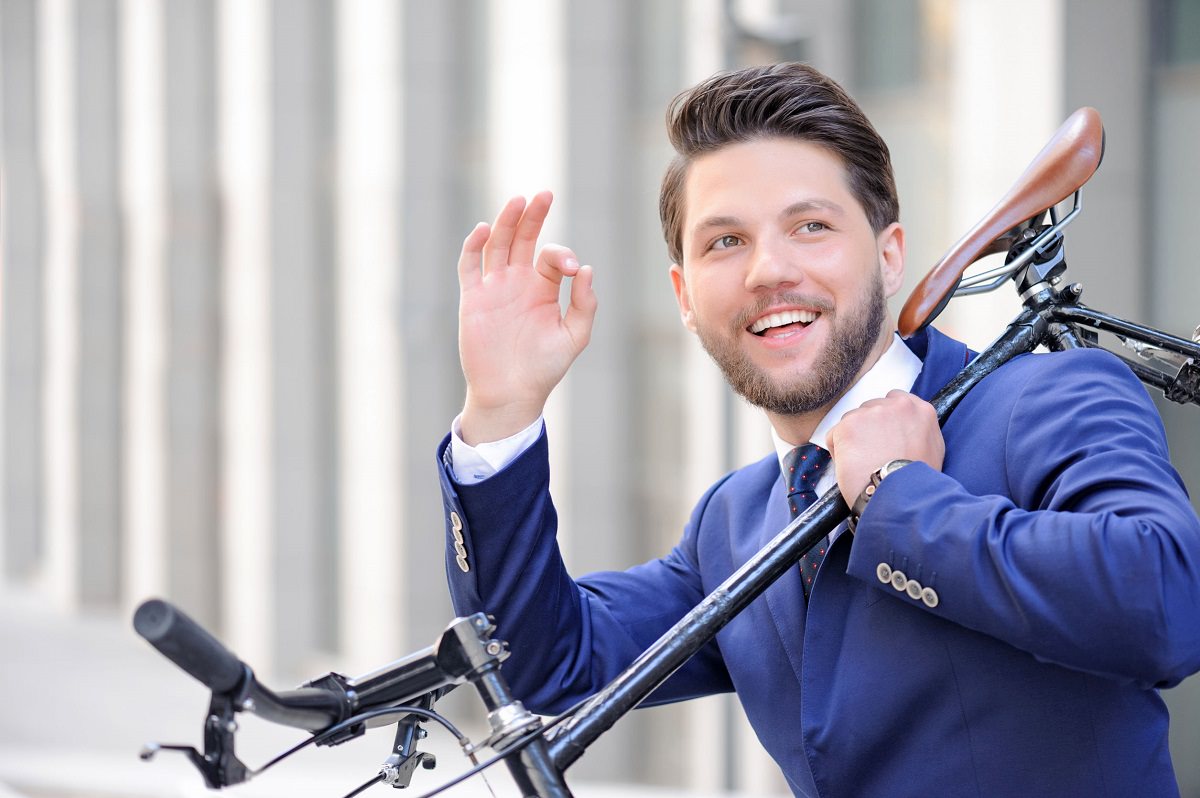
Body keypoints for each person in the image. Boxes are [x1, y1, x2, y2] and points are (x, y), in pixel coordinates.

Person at [435, 62, 1200, 796]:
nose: (768, 270)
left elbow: (1167, 606)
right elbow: (544, 662)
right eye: (724, 242)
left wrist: (900, 500)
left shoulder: (1044, 400)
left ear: (890, 255)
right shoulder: (732, 524)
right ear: (685, 296)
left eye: (810, 226)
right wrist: (502, 411)